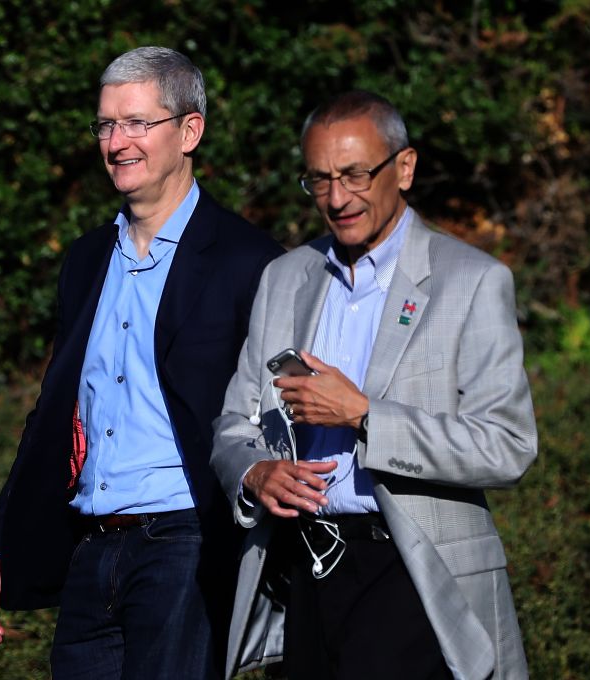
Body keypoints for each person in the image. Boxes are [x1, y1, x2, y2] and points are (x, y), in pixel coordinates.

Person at [0, 46, 283, 679]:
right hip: (92, 547)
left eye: (137, 122)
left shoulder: (250, 261)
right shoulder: (85, 261)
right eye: (106, 124)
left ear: (190, 131)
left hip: (187, 544)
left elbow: (276, 415)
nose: (117, 142)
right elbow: (53, 413)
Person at [211, 90, 538, 680]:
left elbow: (507, 445)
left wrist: (365, 416)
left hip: (415, 575)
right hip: (305, 569)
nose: (338, 198)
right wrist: (256, 472)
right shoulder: (284, 279)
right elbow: (235, 423)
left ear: (403, 168)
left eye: (355, 175)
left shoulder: (473, 281)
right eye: (319, 180)